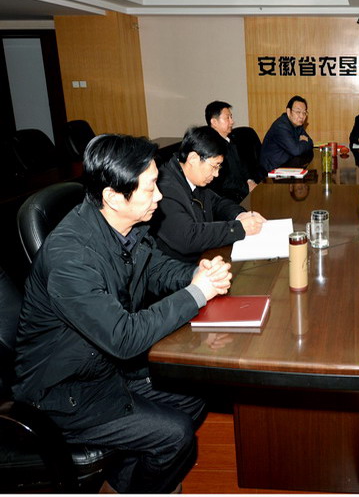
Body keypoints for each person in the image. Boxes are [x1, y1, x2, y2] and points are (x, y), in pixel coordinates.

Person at [13, 134, 233, 494]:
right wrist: (196, 294)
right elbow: (123, 336)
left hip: (104, 369)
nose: (159, 196)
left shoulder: (124, 226)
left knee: (194, 395)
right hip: (64, 393)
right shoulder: (70, 258)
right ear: (114, 197)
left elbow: (155, 267)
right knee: (176, 435)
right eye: (150, 188)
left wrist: (195, 274)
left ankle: (123, 482)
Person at [152, 126, 266, 263]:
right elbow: (189, 238)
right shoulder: (164, 189)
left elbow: (218, 203)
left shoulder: (193, 179)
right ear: (193, 158)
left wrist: (240, 215)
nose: (216, 174)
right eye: (214, 166)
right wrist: (238, 228)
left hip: (203, 257)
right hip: (179, 268)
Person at [205, 100, 260, 203]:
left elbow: (243, 166)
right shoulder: (209, 147)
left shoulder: (232, 140)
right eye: (227, 118)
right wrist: (247, 187)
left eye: (231, 117)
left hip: (243, 191)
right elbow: (221, 181)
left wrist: (250, 181)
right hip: (227, 198)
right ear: (214, 122)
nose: (232, 122)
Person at [260, 95, 314, 175]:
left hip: (287, 165)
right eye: (298, 112)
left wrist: (302, 143)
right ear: (288, 112)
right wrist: (303, 141)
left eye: (304, 113)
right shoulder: (281, 126)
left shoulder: (297, 124)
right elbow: (296, 151)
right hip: (271, 171)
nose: (302, 116)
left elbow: (310, 142)